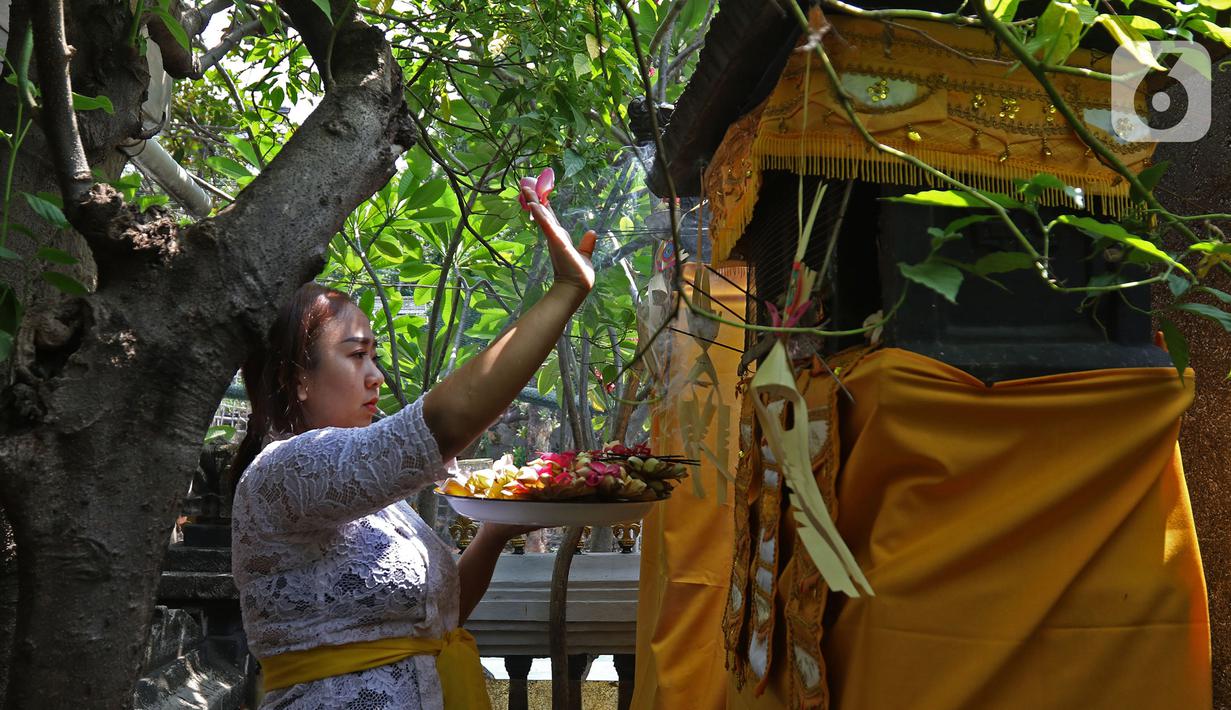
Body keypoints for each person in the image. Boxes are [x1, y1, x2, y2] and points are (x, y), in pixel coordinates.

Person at [229, 184, 595, 709]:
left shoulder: (374, 498)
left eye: (374, 357)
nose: (376, 376)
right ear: (298, 380)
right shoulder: (285, 471)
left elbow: (434, 624)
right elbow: (444, 422)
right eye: (356, 356)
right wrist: (564, 290)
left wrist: (493, 535)